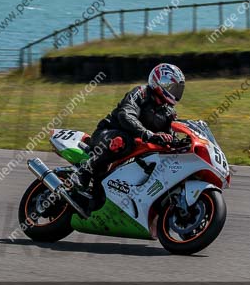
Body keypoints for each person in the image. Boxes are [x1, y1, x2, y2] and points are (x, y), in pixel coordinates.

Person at [74, 63, 186, 193]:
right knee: (123, 140)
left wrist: (178, 143)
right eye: (173, 87)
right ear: (161, 83)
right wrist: (148, 134)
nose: (176, 91)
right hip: (107, 135)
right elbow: (125, 114)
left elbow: (171, 136)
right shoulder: (141, 93)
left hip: (134, 147)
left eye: (178, 88)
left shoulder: (168, 112)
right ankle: (84, 172)